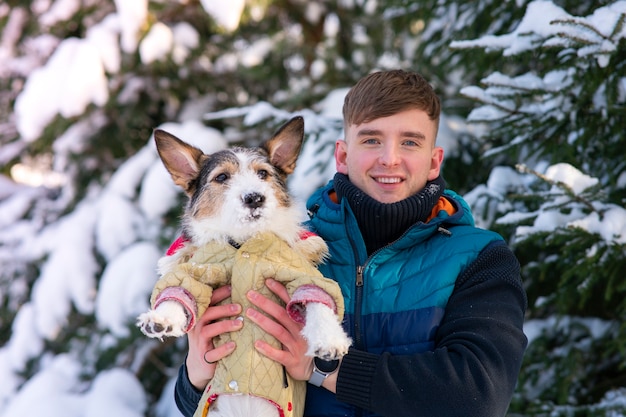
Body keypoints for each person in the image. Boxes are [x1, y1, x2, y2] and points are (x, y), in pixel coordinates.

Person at [173, 69, 528, 417]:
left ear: (434, 160)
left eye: (410, 142)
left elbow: (479, 396)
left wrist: (323, 368)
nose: (389, 158)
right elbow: (220, 390)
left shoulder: (479, 257)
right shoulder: (288, 249)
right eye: (372, 139)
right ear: (342, 155)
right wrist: (194, 378)